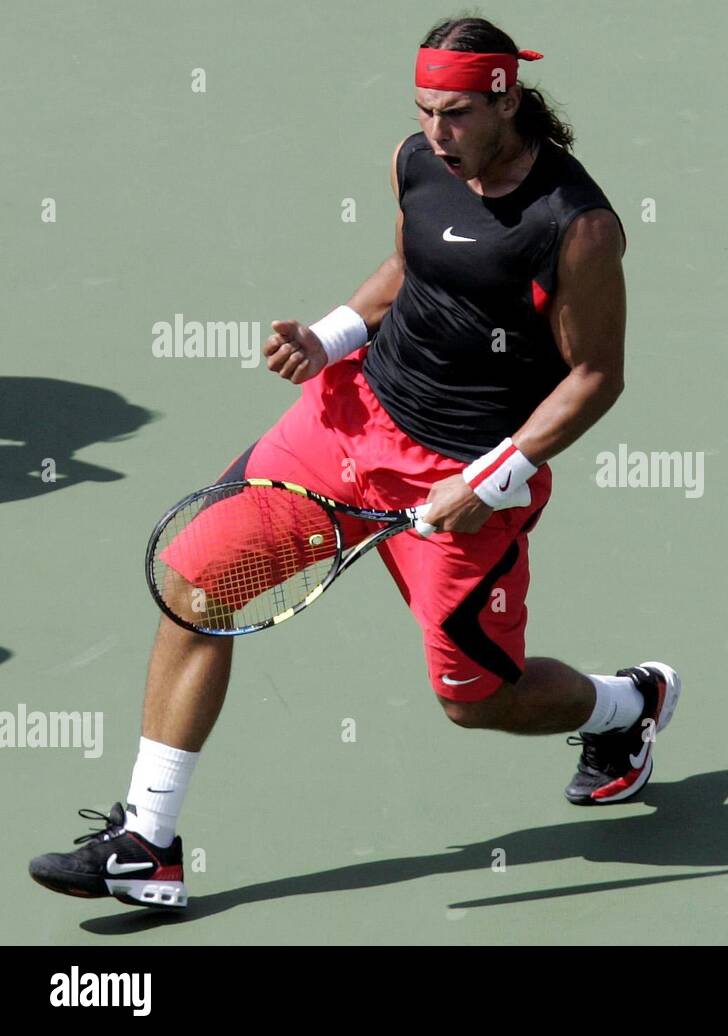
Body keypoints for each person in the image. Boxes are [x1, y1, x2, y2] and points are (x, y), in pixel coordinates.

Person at [29, 15, 681, 910]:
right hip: (344, 425)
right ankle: (147, 843)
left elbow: (597, 376)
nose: (436, 133)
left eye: (454, 113)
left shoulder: (576, 227)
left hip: (462, 477)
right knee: (195, 587)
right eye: (425, 112)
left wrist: (487, 480)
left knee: (476, 699)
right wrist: (330, 333)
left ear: (506, 97)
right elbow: (414, 262)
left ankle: (626, 708)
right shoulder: (419, 162)